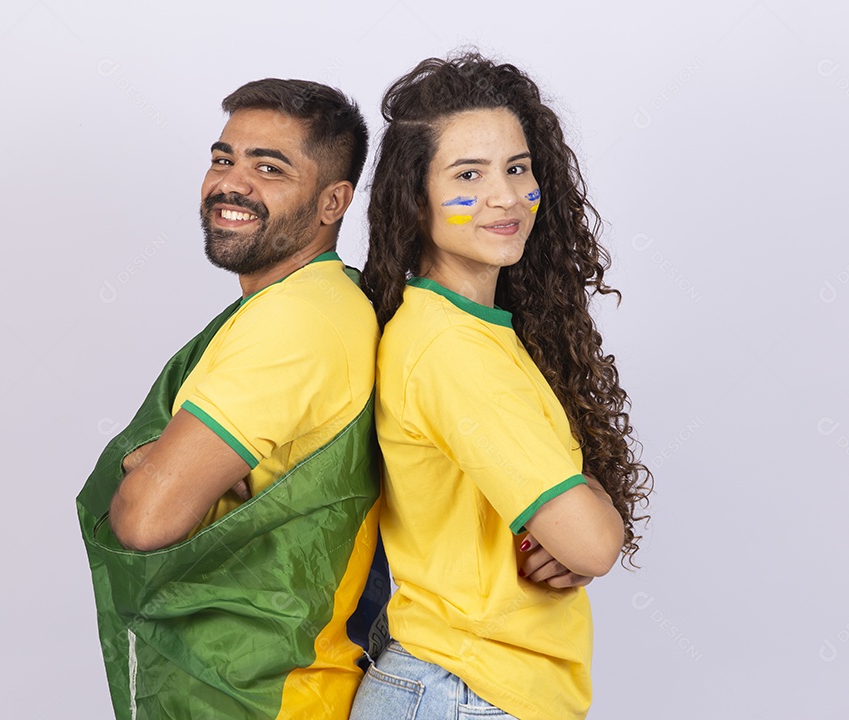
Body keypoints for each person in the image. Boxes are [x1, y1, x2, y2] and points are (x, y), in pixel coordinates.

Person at [350, 53, 653, 719]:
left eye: (517, 168)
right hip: (463, 691)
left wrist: (573, 531)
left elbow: (571, 541)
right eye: (468, 175)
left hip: (461, 688)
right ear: (414, 195)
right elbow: (594, 542)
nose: (507, 196)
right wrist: (587, 510)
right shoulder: (451, 350)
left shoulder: (470, 330)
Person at [76, 78, 390, 720]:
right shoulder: (307, 305)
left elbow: (144, 518)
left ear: (334, 201)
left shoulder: (294, 324)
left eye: (269, 168)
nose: (232, 184)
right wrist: (184, 468)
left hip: (259, 694)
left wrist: (154, 462)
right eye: (224, 158)